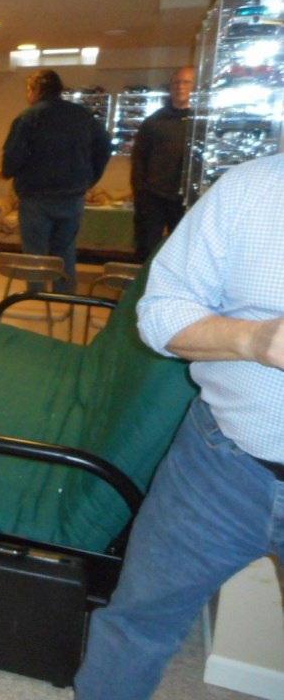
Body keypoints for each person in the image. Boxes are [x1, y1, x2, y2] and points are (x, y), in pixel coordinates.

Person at [74, 151, 284, 699]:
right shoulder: (251, 187)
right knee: (135, 622)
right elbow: (161, 309)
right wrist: (254, 339)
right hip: (220, 464)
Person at [0, 68, 112, 290]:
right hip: (72, 196)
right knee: (65, 250)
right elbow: (105, 147)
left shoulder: (28, 117)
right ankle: (64, 294)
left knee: (35, 253)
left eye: (28, 90)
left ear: (37, 90)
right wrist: (89, 179)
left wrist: (7, 171)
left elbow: (12, 160)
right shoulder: (82, 116)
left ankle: (37, 296)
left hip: (36, 197)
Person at [130, 66, 194, 261]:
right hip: (153, 196)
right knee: (147, 249)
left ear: (195, 87)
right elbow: (139, 158)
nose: (180, 87)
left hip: (186, 199)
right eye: (176, 82)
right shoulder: (154, 121)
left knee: (182, 252)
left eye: (186, 82)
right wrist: (139, 193)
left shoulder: (201, 123)